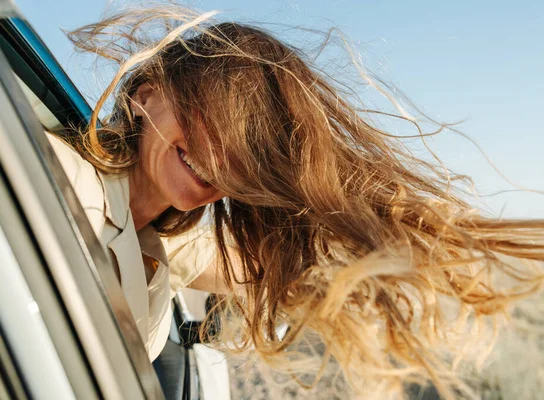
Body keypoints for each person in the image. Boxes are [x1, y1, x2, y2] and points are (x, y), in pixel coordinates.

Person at [48, 4, 544, 399]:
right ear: (144, 96)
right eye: (206, 114)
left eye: (246, 148)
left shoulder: (157, 242)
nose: (217, 154)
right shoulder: (58, 181)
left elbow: (260, 271)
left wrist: (398, 250)